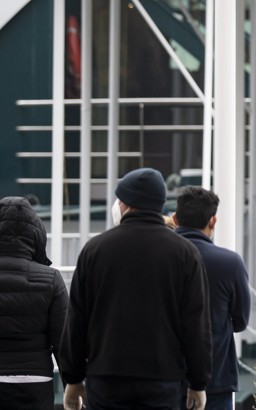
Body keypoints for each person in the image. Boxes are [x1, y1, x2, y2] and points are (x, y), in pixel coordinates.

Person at [60, 168, 211, 410]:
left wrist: (73, 377)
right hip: (163, 379)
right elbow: (196, 323)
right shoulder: (184, 253)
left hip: (106, 378)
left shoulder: (95, 250)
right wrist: (198, 382)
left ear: (126, 204)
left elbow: (77, 318)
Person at [173, 186, 251, 410]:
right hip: (216, 380)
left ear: (176, 218)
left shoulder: (160, 257)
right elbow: (241, 321)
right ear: (213, 221)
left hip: (167, 380)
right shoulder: (229, 262)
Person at [0, 196, 68, 409]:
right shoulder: (51, 279)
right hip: (35, 382)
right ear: (36, 235)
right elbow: (63, 341)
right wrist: (73, 385)